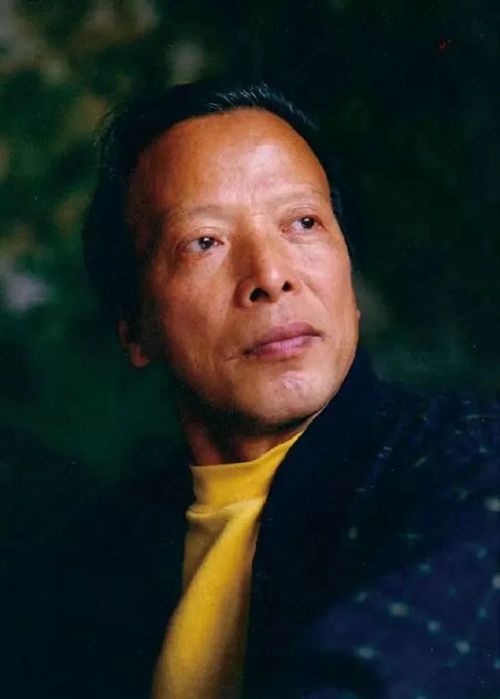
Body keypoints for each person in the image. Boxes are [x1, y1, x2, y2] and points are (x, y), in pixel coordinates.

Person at [29, 81, 500, 698]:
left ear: (349, 284)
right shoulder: (88, 559)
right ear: (137, 330)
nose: (272, 276)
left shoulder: (467, 461)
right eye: (204, 242)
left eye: (303, 222)